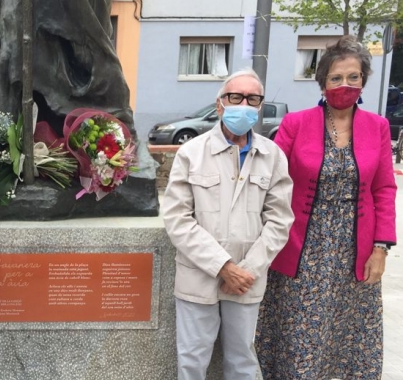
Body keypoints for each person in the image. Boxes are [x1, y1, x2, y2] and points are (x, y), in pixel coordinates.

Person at [256, 35, 397, 380]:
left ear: (364, 80)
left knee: (350, 341)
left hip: (355, 251)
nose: (345, 85)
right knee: (300, 337)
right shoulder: (296, 124)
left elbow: (384, 189)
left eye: (353, 77)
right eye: (336, 78)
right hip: (301, 248)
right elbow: (269, 178)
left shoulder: (377, 127)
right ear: (322, 84)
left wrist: (381, 248)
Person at [161, 68, 294, 380]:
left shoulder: (272, 155)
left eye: (252, 98)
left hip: (247, 278)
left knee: (243, 362)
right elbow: (177, 218)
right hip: (199, 276)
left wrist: (247, 269)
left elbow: (280, 219)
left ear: (260, 105)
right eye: (236, 97)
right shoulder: (191, 153)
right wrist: (223, 266)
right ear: (220, 103)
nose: (244, 104)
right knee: (192, 361)